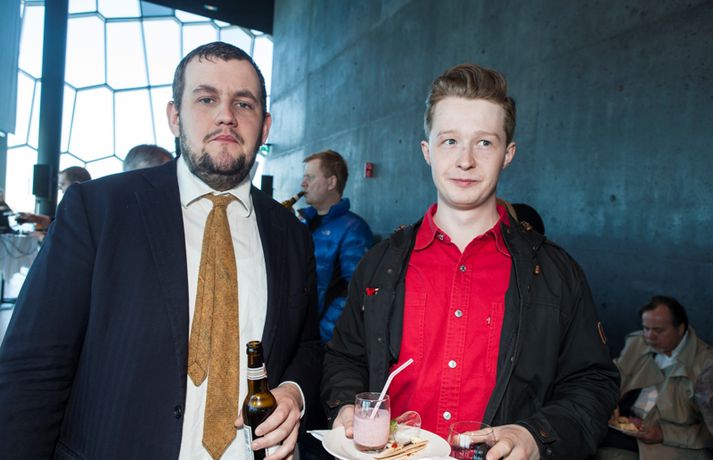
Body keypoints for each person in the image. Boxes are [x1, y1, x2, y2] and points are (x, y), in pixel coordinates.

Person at [0, 41, 322, 459]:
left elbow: (307, 345)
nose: (226, 115)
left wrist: (294, 391)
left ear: (265, 127)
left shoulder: (291, 235)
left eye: (244, 104)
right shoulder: (98, 210)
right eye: (206, 99)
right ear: (174, 116)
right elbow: (34, 368)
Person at [321, 63, 619, 459]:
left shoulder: (556, 273)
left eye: (484, 143)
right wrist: (345, 405)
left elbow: (593, 383)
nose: (465, 160)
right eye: (449, 141)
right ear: (426, 151)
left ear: (507, 155)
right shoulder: (379, 265)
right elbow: (344, 358)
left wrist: (535, 435)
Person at [596, 295, 713, 460]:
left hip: (672, 442)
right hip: (627, 424)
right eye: (646, 328)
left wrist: (663, 434)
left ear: (680, 329)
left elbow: (709, 430)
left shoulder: (706, 366)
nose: (650, 336)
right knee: (579, 435)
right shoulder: (638, 342)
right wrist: (610, 399)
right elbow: (613, 376)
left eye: (658, 330)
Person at [298, 149, 373, 343]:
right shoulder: (301, 224)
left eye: (310, 177)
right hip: (297, 334)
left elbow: (354, 291)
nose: (303, 183)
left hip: (322, 342)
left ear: (331, 182)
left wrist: (319, 337)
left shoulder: (354, 228)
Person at [16, 166, 92, 231]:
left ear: (76, 185)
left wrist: (41, 237)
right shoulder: (87, 206)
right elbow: (61, 223)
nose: (59, 188)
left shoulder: (79, 208)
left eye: (62, 184)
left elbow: (66, 234)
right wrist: (36, 218)